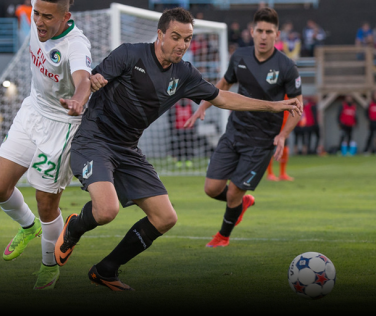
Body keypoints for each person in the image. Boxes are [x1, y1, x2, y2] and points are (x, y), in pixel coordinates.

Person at [53, 7, 302, 291]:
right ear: (160, 35)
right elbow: (89, 79)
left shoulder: (184, 73)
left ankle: (106, 269)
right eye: (175, 37)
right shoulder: (130, 54)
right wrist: (86, 91)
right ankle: (74, 228)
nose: (182, 45)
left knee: (165, 218)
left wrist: (273, 105)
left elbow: (222, 97)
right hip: (94, 140)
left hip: (127, 149)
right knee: (107, 210)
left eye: (187, 39)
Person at [0, 0, 92, 290]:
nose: (39, 22)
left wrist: (78, 102)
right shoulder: (38, 11)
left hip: (62, 125)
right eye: (36, 14)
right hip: (32, 111)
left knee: (46, 204)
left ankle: (49, 268)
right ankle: (28, 226)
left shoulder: (76, 45)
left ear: (65, 16)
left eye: (47, 16)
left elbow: (85, 80)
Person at [184, 7, 302, 247]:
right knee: (211, 188)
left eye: (269, 31)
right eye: (260, 30)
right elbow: (224, 84)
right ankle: (243, 203)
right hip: (234, 132)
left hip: (261, 141)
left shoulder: (287, 67)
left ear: (277, 35)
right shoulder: (240, 57)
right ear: (252, 31)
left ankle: (222, 237)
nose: (264, 36)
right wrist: (203, 106)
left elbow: (298, 107)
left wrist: (282, 134)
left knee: (234, 191)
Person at [267, 111, 295, 181]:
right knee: (270, 150)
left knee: (285, 150)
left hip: (283, 130)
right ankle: (270, 174)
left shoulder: (288, 101)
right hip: (272, 128)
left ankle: (282, 173)